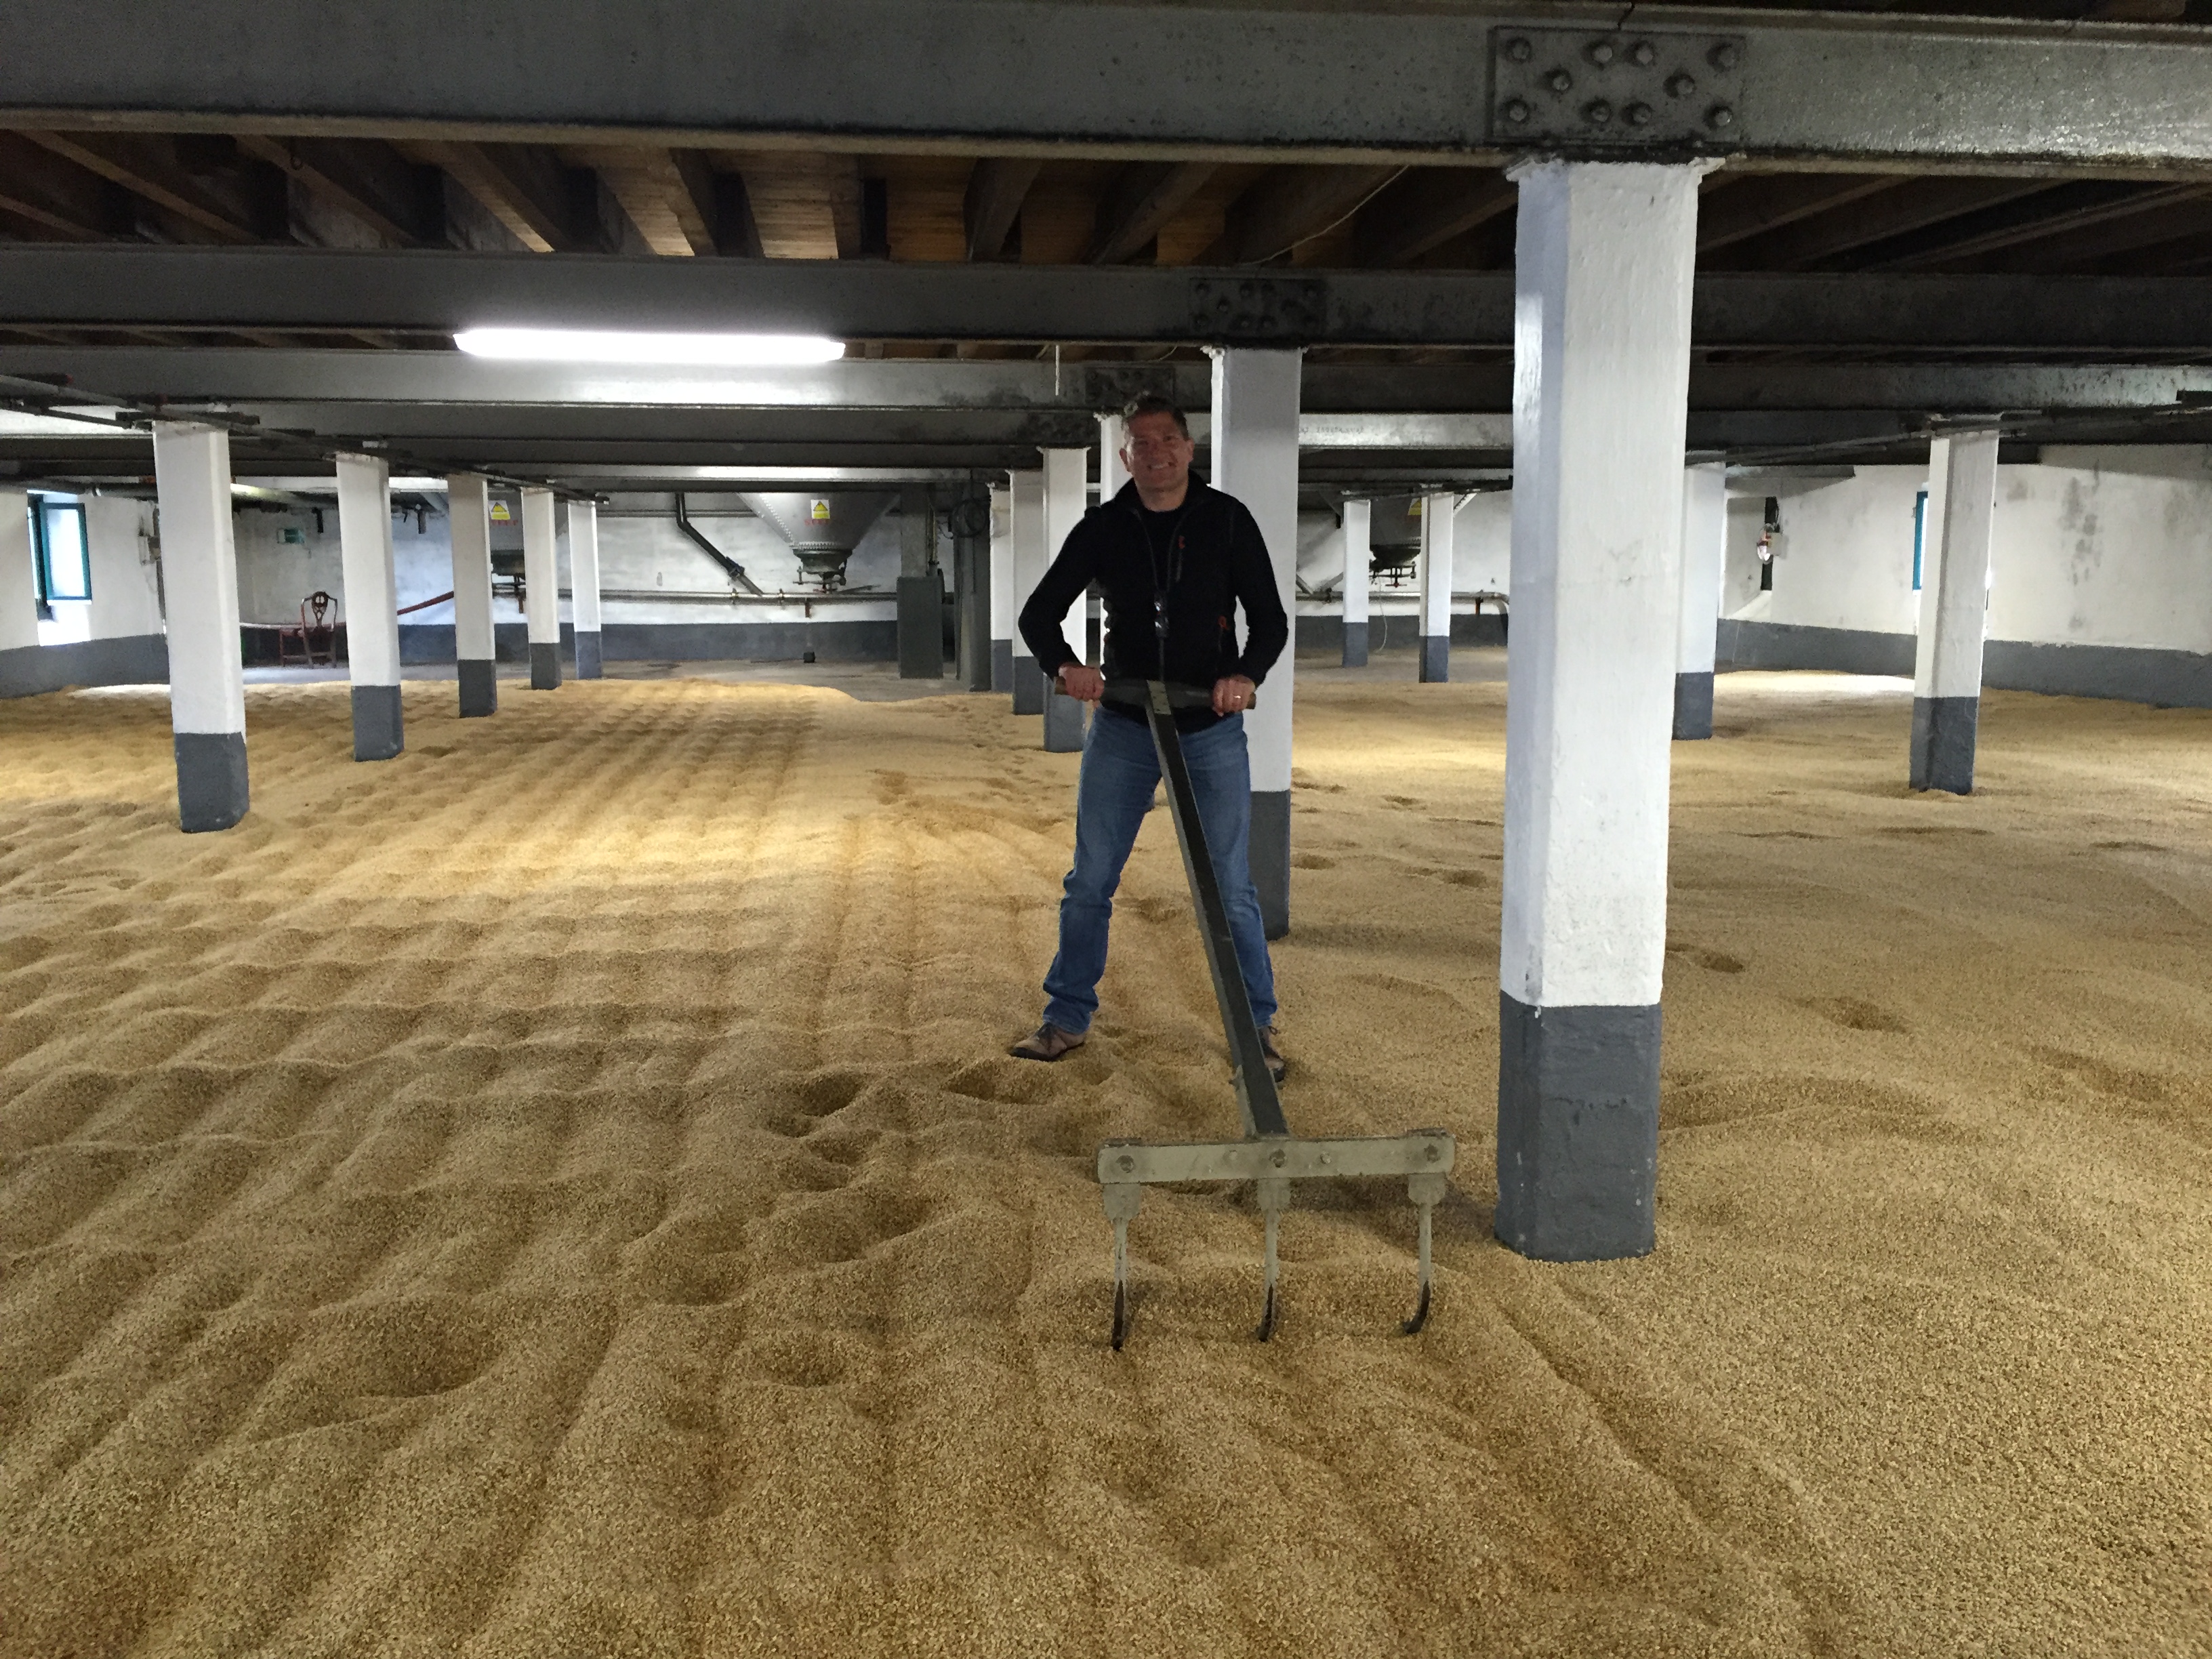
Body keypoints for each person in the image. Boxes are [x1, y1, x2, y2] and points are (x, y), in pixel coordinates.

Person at [1008, 394, 1289, 1080]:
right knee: (1091, 879)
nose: (1155, 452)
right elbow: (1039, 615)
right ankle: (1067, 1016)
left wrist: (1245, 676)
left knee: (1230, 886)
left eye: (1167, 440)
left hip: (1209, 726)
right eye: (1140, 443)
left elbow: (1272, 620)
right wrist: (1066, 667)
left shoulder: (1226, 521)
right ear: (1126, 457)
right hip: (1126, 726)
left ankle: (1255, 1027)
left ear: (1190, 450)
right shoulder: (1104, 528)